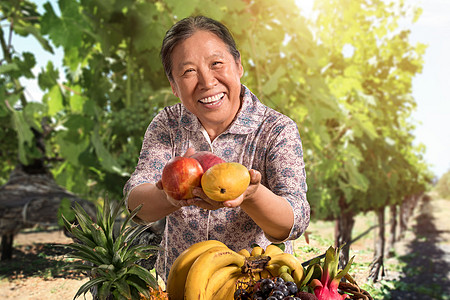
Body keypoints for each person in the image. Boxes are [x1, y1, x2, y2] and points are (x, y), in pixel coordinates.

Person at [123, 15, 310, 282]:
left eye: (216, 64)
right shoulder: (168, 124)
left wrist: (251, 195)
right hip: (181, 287)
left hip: (256, 288)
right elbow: (135, 204)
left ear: (238, 65)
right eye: (188, 71)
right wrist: (168, 196)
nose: (207, 81)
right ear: (174, 86)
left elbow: (294, 222)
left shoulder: (276, 129)